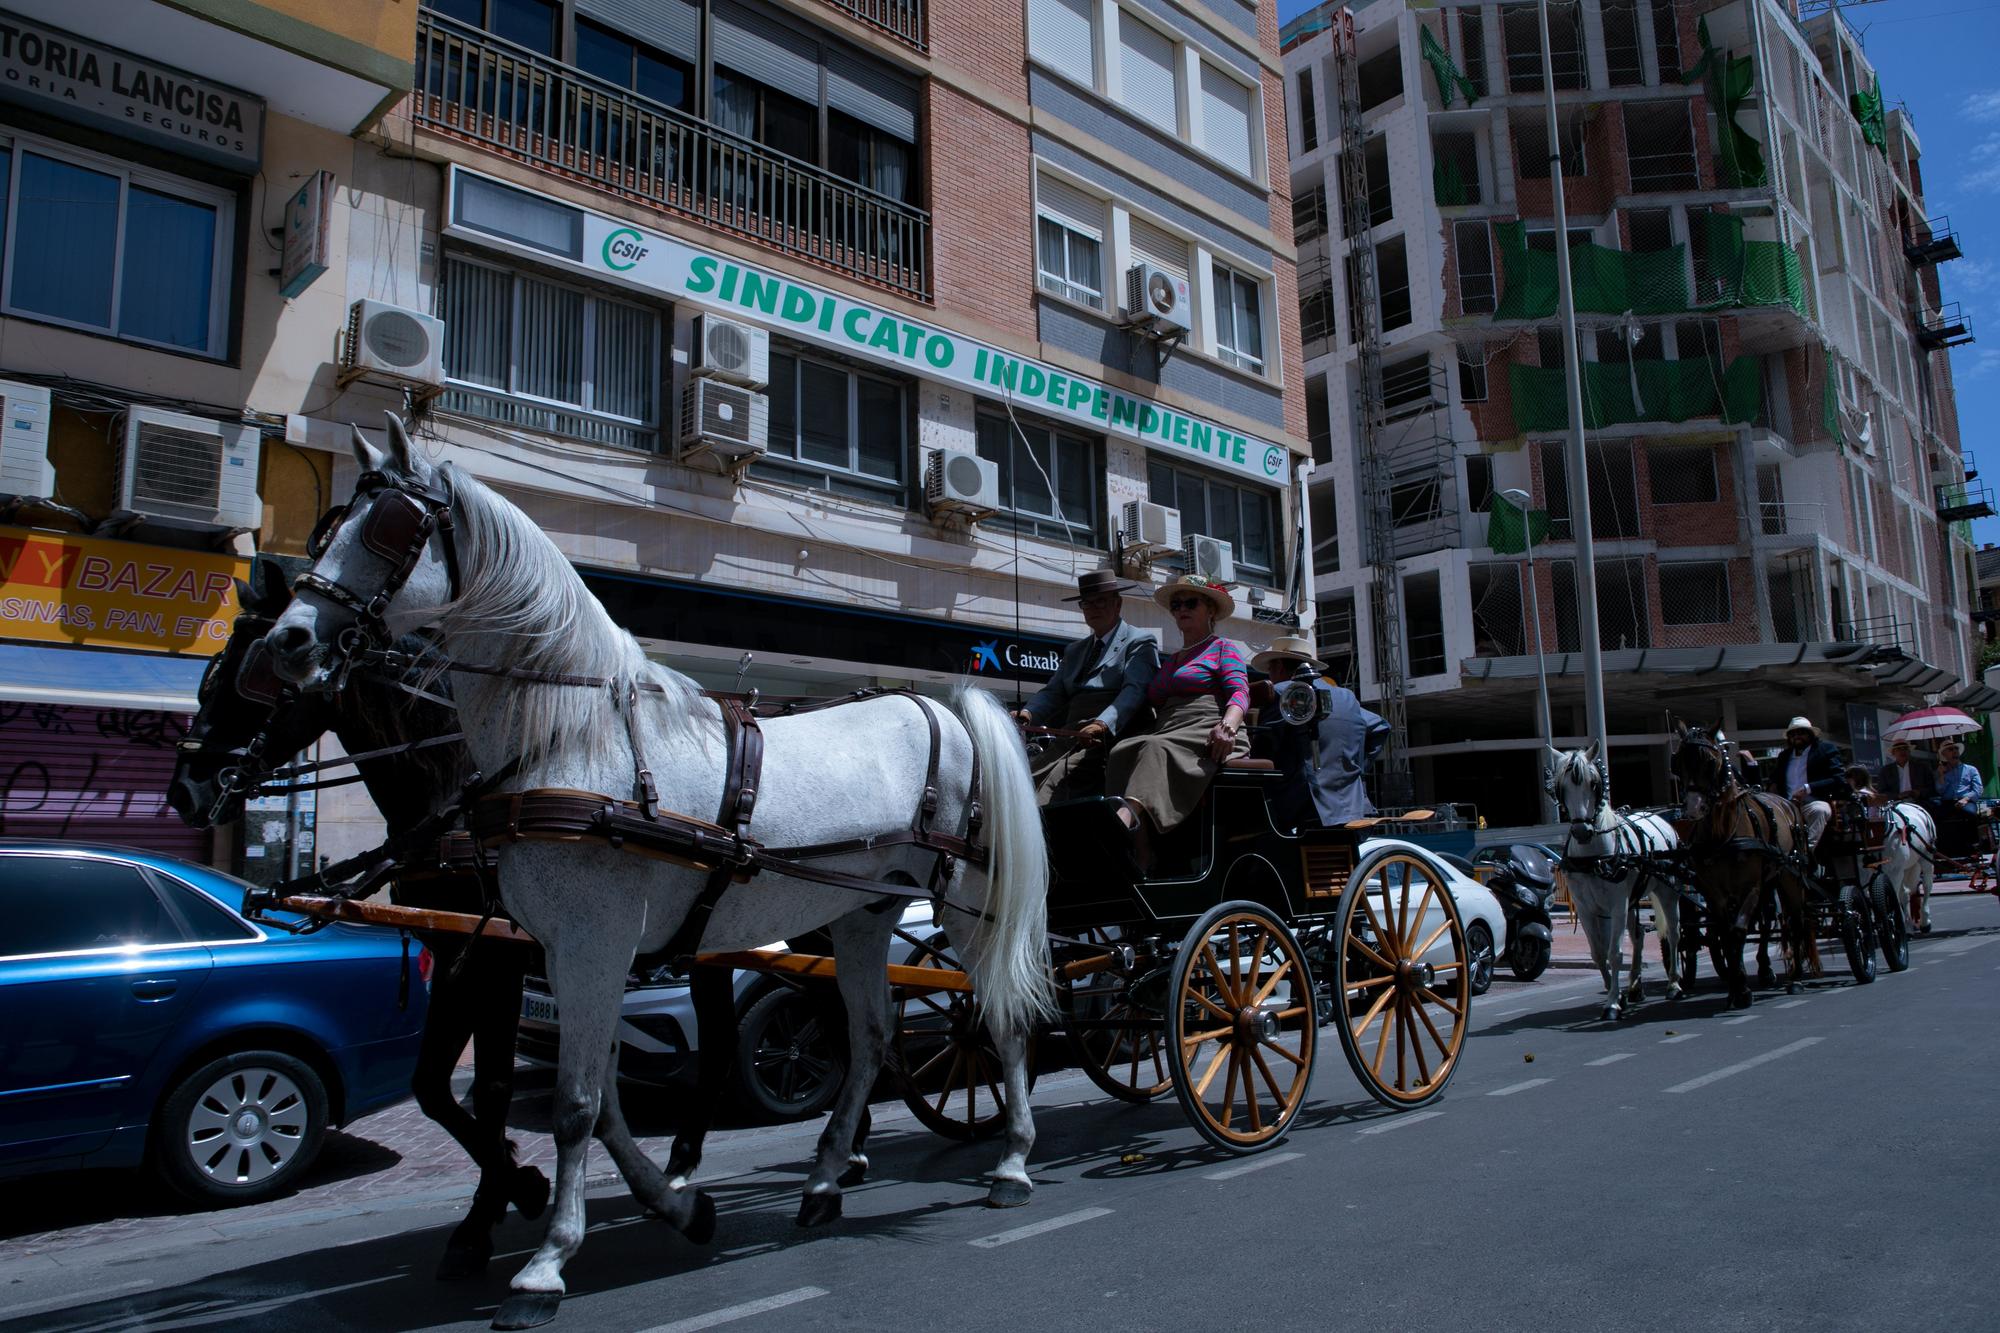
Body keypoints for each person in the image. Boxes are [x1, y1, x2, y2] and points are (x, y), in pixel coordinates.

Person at [1104, 574, 1250, 863]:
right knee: (1122, 750)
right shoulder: (1171, 659)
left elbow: (1240, 692)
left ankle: (1122, 818)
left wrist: (1228, 726)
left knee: (1155, 748)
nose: (1181, 609)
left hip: (1207, 726)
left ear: (1210, 610)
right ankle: (1141, 849)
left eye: (1190, 603)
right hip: (1169, 727)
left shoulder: (1223, 648)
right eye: (1176, 604)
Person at [1014, 569, 1162, 804]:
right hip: (1071, 738)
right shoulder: (1075, 650)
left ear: (1118, 604)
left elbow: (1134, 692)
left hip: (1110, 740)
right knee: (1023, 782)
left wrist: (1103, 724)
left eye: (1100, 601)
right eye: (1087, 603)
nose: (1093, 608)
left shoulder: (1139, 641)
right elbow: (1054, 692)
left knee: (1052, 792)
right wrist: (1027, 714)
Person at [1248, 634, 1390, 831]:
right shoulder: (1346, 697)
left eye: (1270, 670)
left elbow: (1261, 750)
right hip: (1352, 807)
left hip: (1299, 806)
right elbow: (1381, 727)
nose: (1270, 677)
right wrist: (1354, 768)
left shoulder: (1281, 693)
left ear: (1279, 666)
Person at [1778, 715, 1845, 851]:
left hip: (1813, 801)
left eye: (1801, 732)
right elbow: (1775, 781)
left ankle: (1806, 852)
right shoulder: (1784, 756)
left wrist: (1808, 788)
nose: (1797, 736)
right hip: (1787, 804)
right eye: (1793, 734)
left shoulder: (1825, 749)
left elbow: (1838, 779)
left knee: (1820, 810)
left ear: (1810, 734)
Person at [1876, 738, 1938, 803]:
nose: (1902, 751)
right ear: (1893, 753)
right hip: (1896, 804)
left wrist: (1918, 792)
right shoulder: (1886, 771)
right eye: (1899, 749)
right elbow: (1881, 792)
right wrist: (1898, 796)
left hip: (1919, 803)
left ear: (1909, 751)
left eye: (1905, 748)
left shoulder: (1922, 768)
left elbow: (1931, 788)